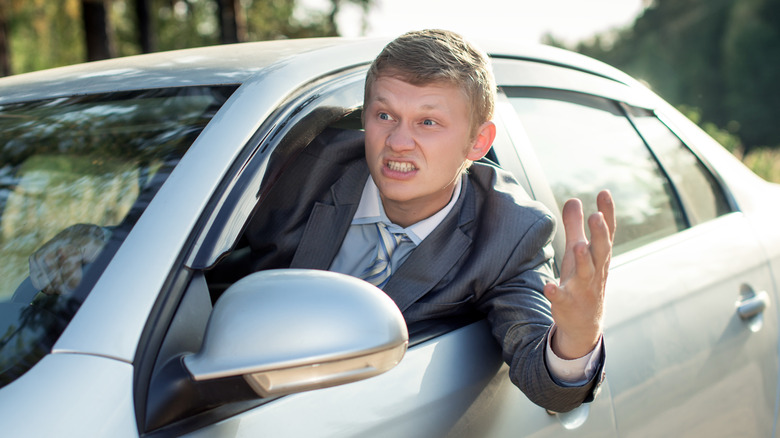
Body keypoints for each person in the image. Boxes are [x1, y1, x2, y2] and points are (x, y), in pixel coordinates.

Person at [30, 29, 615, 414]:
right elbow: (198, 255)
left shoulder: (509, 233)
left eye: (429, 122)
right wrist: (100, 248)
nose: (397, 142)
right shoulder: (306, 164)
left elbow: (546, 381)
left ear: (478, 141)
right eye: (383, 114)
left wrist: (579, 335)